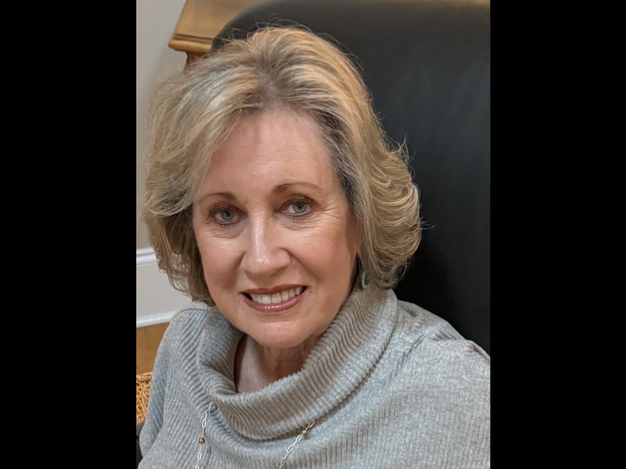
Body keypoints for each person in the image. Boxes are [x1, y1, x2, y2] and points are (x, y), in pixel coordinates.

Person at [139, 27, 489, 468]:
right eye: (225, 214)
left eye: (297, 206)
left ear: (361, 215)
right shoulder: (185, 346)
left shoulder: (455, 399)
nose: (261, 260)